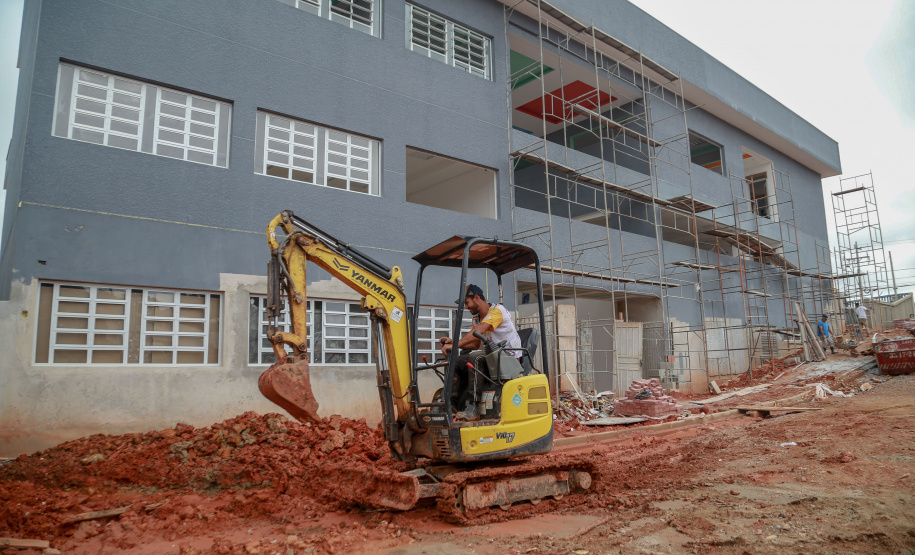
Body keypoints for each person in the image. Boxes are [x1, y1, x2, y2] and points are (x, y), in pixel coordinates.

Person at [440, 284, 521, 420]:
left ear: (476, 297)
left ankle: (474, 406)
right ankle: (451, 403)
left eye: (467, 302)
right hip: (492, 357)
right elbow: (476, 343)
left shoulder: (496, 311)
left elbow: (480, 331)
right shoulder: (477, 318)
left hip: (508, 358)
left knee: (475, 358)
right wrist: (453, 343)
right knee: (456, 361)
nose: (466, 307)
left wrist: (456, 345)